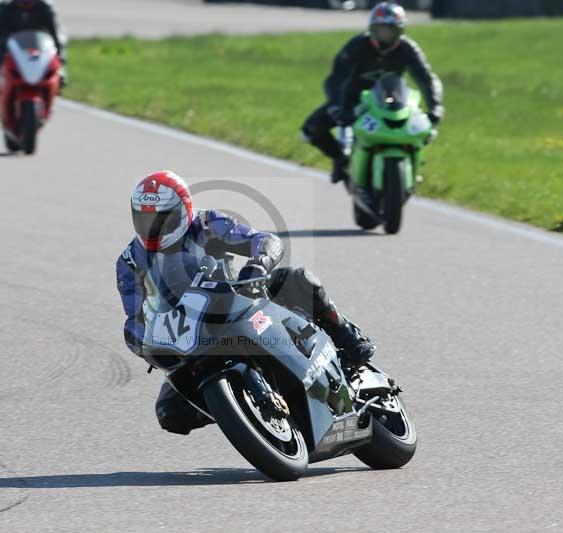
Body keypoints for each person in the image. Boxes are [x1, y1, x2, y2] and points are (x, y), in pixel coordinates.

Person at [115, 170, 376, 435]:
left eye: (161, 219)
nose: (153, 228)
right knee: (170, 413)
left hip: (237, 303)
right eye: (144, 219)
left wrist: (257, 265)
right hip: (189, 338)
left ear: (182, 210)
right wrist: (142, 342)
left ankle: (346, 335)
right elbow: (134, 317)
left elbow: (265, 241)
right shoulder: (129, 262)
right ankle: (236, 405)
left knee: (296, 279)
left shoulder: (206, 224)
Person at [301, 2, 444, 186]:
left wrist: (436, 106)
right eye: (380, 30)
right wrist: (336, 105)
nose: (384, 37)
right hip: (354, 100)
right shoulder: (356, 46)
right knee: (311, 130)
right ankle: (340, 158)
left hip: (393, 100)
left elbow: (426, 78)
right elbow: (336, 78)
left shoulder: (408, 49)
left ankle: (412, 167)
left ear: (400, 32)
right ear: (371, 29)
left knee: (425, 130)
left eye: (390, 31)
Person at [0, 0, 66, 92]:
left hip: (37, 48)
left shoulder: (45, 8)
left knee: (57, 68)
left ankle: (56, 79)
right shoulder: (4, 8)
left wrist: (60, 57)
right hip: (10, 48)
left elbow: (55, 35)